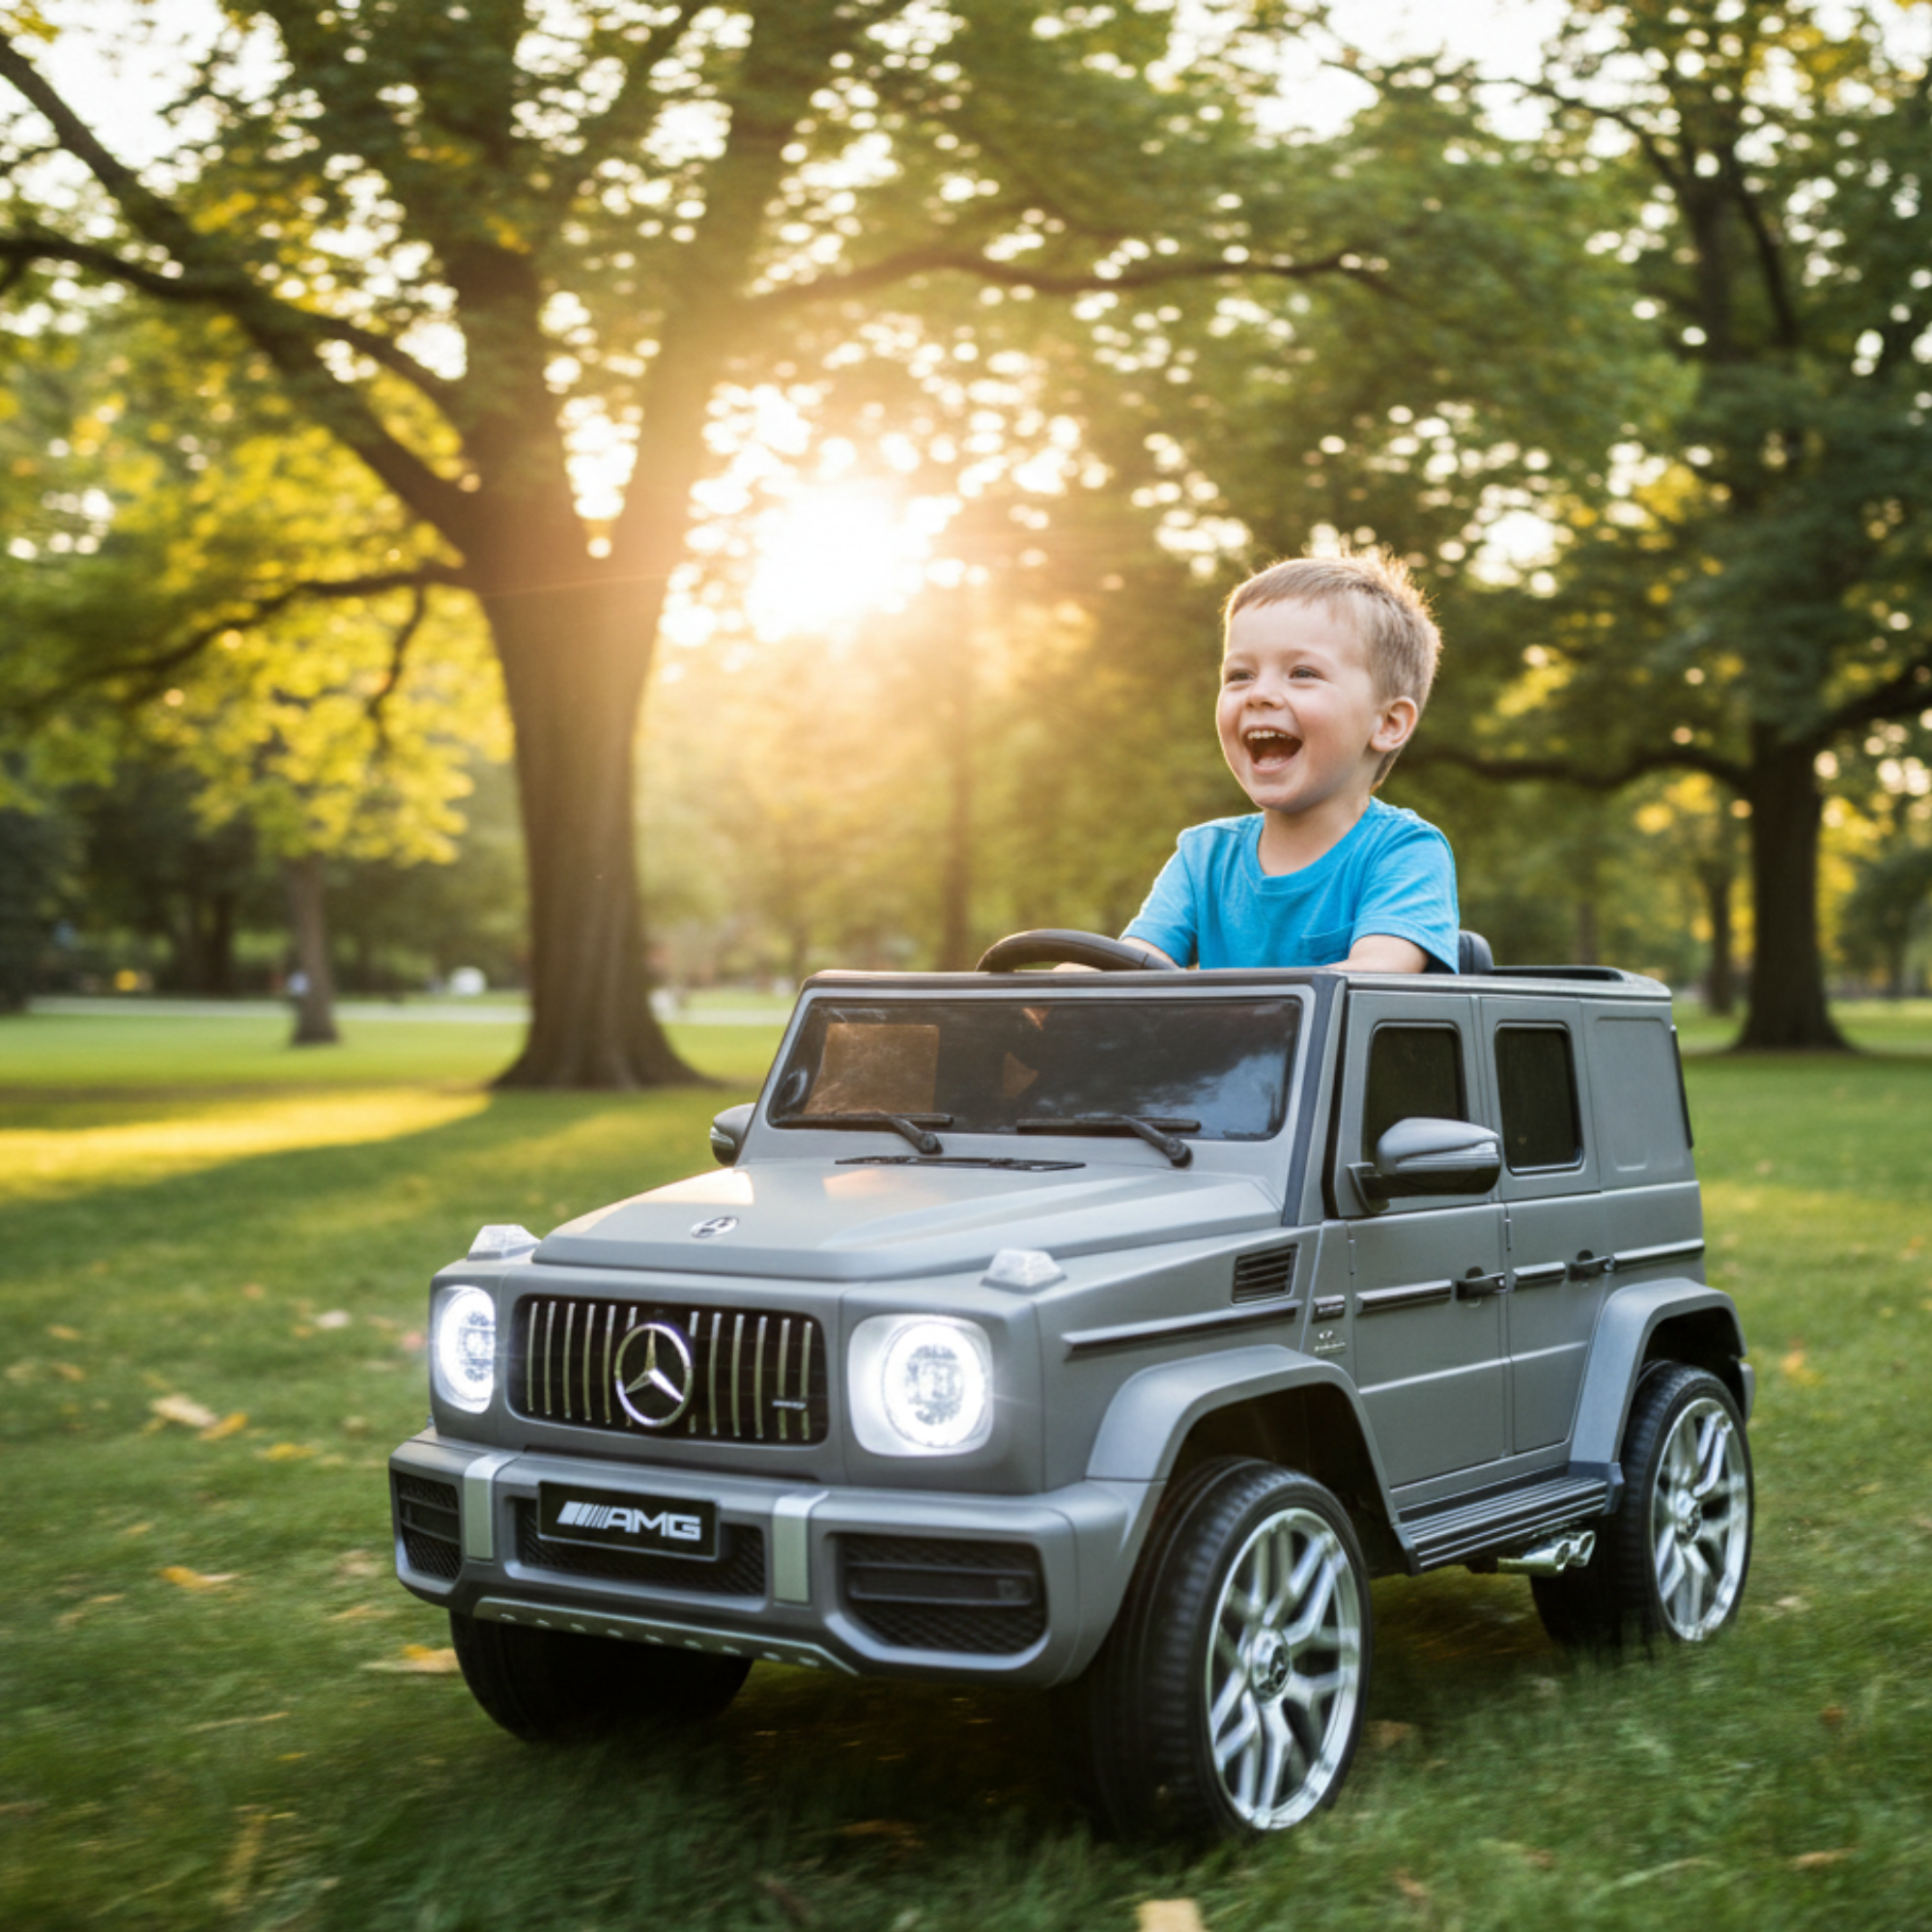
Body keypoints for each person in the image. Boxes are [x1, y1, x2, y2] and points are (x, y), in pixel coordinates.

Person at [1122, 548, 1458, 973]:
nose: (1258, 693)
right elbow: (1136, 964)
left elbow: (1375, 977)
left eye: (1302, 673)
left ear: (1389, 722)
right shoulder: (1203, 857)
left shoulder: (1402, 852)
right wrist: (1072, 980)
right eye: (1239, 675)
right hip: (1222, 1042)